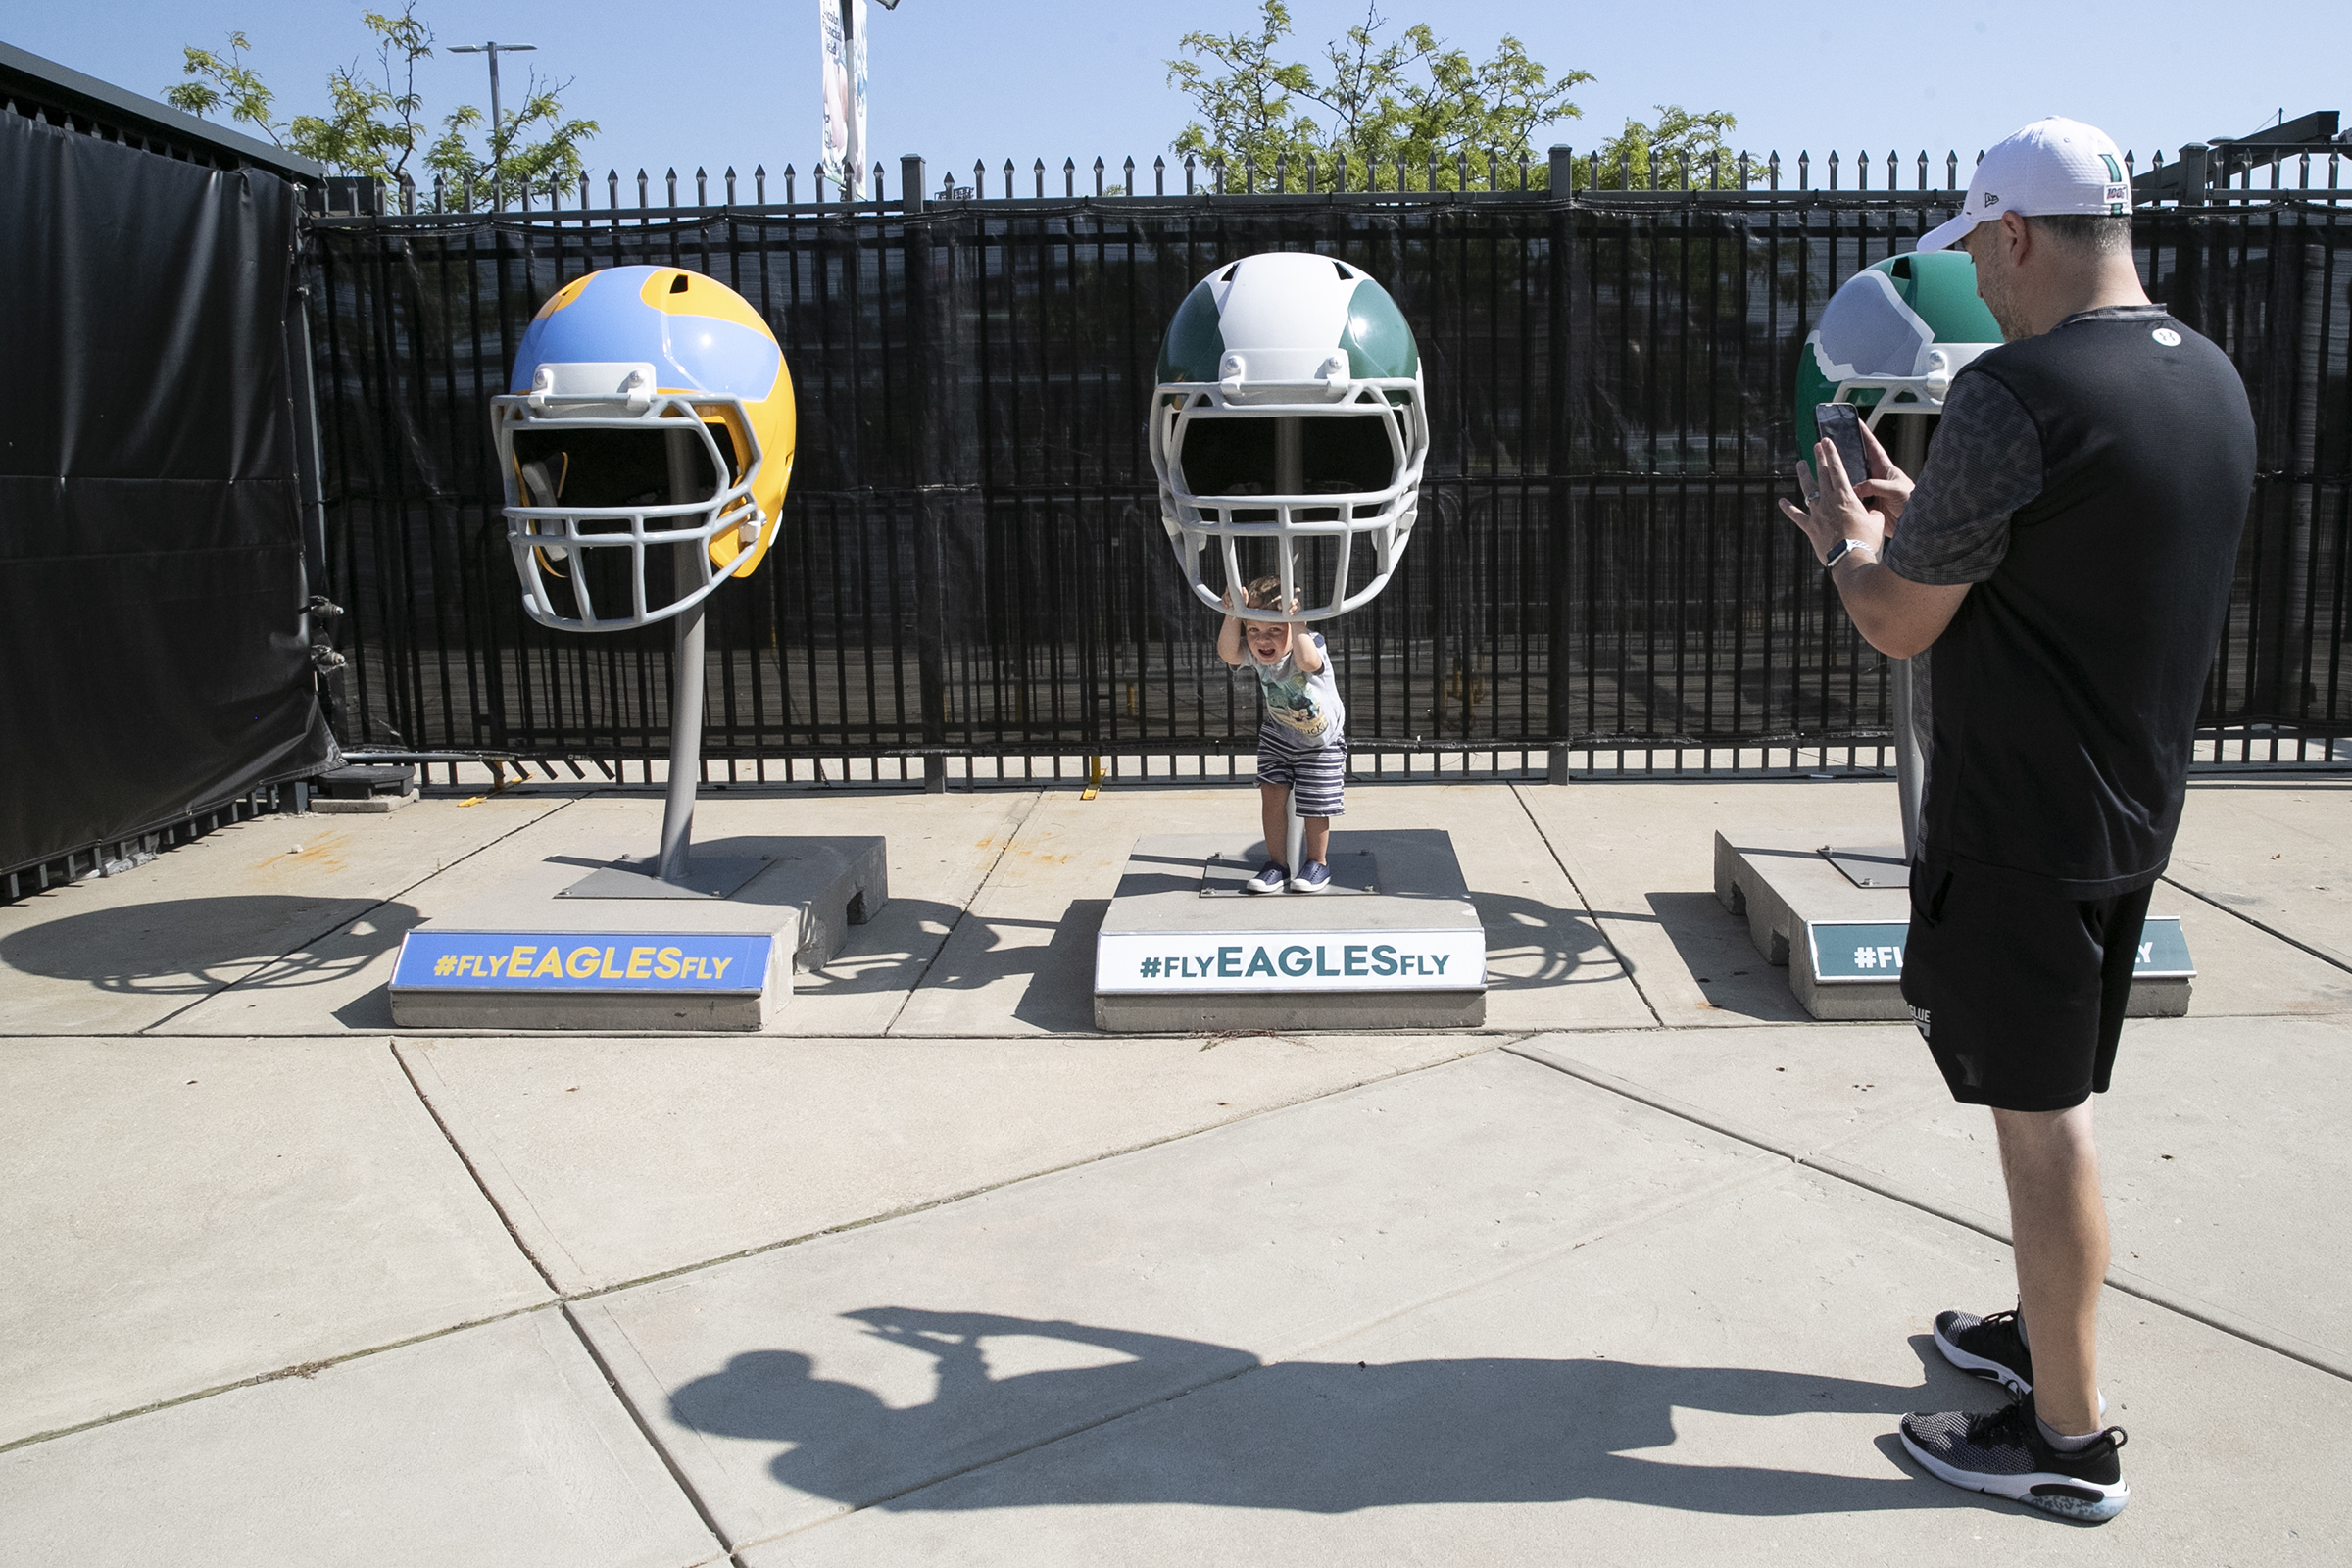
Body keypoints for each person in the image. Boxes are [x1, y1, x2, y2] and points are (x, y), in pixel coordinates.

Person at [1777, 117, 2255, 1523]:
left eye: (1979, 252)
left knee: (2043, 1118)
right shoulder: (2210, 379)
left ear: (2018, 234)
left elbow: (1901, 627)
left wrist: (1857, 548)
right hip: (2127, 810)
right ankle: (2043, 1336)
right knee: (2055, 1097)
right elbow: (2079, 555)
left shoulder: (2017, 391)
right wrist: (1941, 519)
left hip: (2020, 822)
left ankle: (2067, 1436)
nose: (1977, 289)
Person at [1217, 576, 1347, 893]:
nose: (1263, 640)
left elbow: (1308, 661)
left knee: (1315, 805)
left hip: (1320, 741)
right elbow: (1228, 654)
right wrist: (1233, 614)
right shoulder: (1257, 654)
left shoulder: (1308, 642)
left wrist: (1298, 623)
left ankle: (1318, 863)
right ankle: (1277, 864)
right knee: (1271, 795)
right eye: (1254, 630)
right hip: (1279, 733)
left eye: (1275, 630)